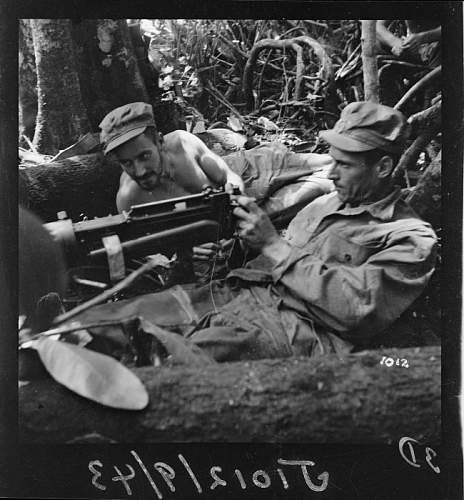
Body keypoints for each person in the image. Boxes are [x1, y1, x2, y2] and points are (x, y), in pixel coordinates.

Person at [81, 101, 437, 363]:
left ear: (384, 167)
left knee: (167, 367)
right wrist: (237, 246)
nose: (332, 175)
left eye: (343, 165)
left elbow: (359, 310)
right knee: (95, 324)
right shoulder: (328, 204)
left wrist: (272, 244)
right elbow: (268, 257)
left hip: (287, 326)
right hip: (232, 291)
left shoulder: (410, 239)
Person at [99, 102, 334, 262]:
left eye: (144, 156)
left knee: (331, 167)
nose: (139, 171)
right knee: (325, 190)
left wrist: (235, 194)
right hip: (227, 226)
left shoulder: (182, 144)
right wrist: (188, 250)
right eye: (127, 163)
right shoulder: (129, 199)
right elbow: (151, 249)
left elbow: (227, 176)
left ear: (159, 142)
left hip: (248, 172)